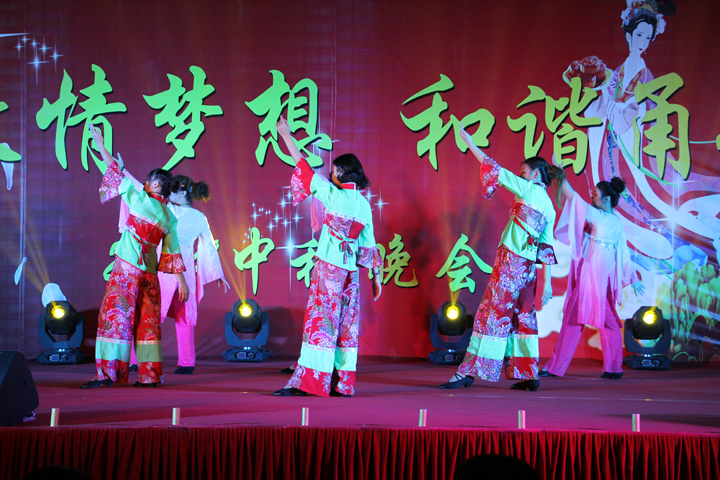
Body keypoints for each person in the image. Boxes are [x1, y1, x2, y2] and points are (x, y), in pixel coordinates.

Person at [440, 126, 562, 392]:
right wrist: (548, 284)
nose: (521, 175)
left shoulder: (528, 190)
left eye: (524, 171)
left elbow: (495, 169)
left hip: (511, 263)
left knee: (491, 313)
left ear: (536, 174)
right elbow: (546, 248)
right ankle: (528, 374)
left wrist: (470, 143)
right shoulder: (550, 207)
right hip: (528, 270)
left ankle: (468, 372)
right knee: (523, 316)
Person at [273, 115, 382, 397]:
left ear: (342, 173)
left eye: (334, 171)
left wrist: (286, 136)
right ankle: (343, 384)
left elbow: (303, 167)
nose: (331, 174)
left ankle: (311, 383)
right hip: (351, 275)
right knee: (347, 325)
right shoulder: (365, 206)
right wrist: (376, 277)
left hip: (329, 270)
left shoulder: (333, 195)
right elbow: (369, 245)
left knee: (320, 323)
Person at [81, 124, 188, 389]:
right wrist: (182, 282)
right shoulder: (170, 218)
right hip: (149, 276)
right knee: (147, 324)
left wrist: (101, 144)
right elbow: (173, 254)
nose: (145, 182)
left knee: (115, 316)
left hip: (126, 270)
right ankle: (150, 376)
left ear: (155, 185)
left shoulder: (139, 199)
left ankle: (108, 374)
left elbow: (114, 171)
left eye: (148, 180)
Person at [541, 168, 644, 379]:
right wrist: (632, 278)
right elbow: (623, 254)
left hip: (591, 277)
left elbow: (573, 197)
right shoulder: (615, 222)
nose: (592, 197)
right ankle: (613, 368)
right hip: (599, 278)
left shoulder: (600, 217)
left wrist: (562, 176)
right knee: (607, 323)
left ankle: (556, 367)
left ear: (606, 199)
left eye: (595, 194)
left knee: (574, 321)